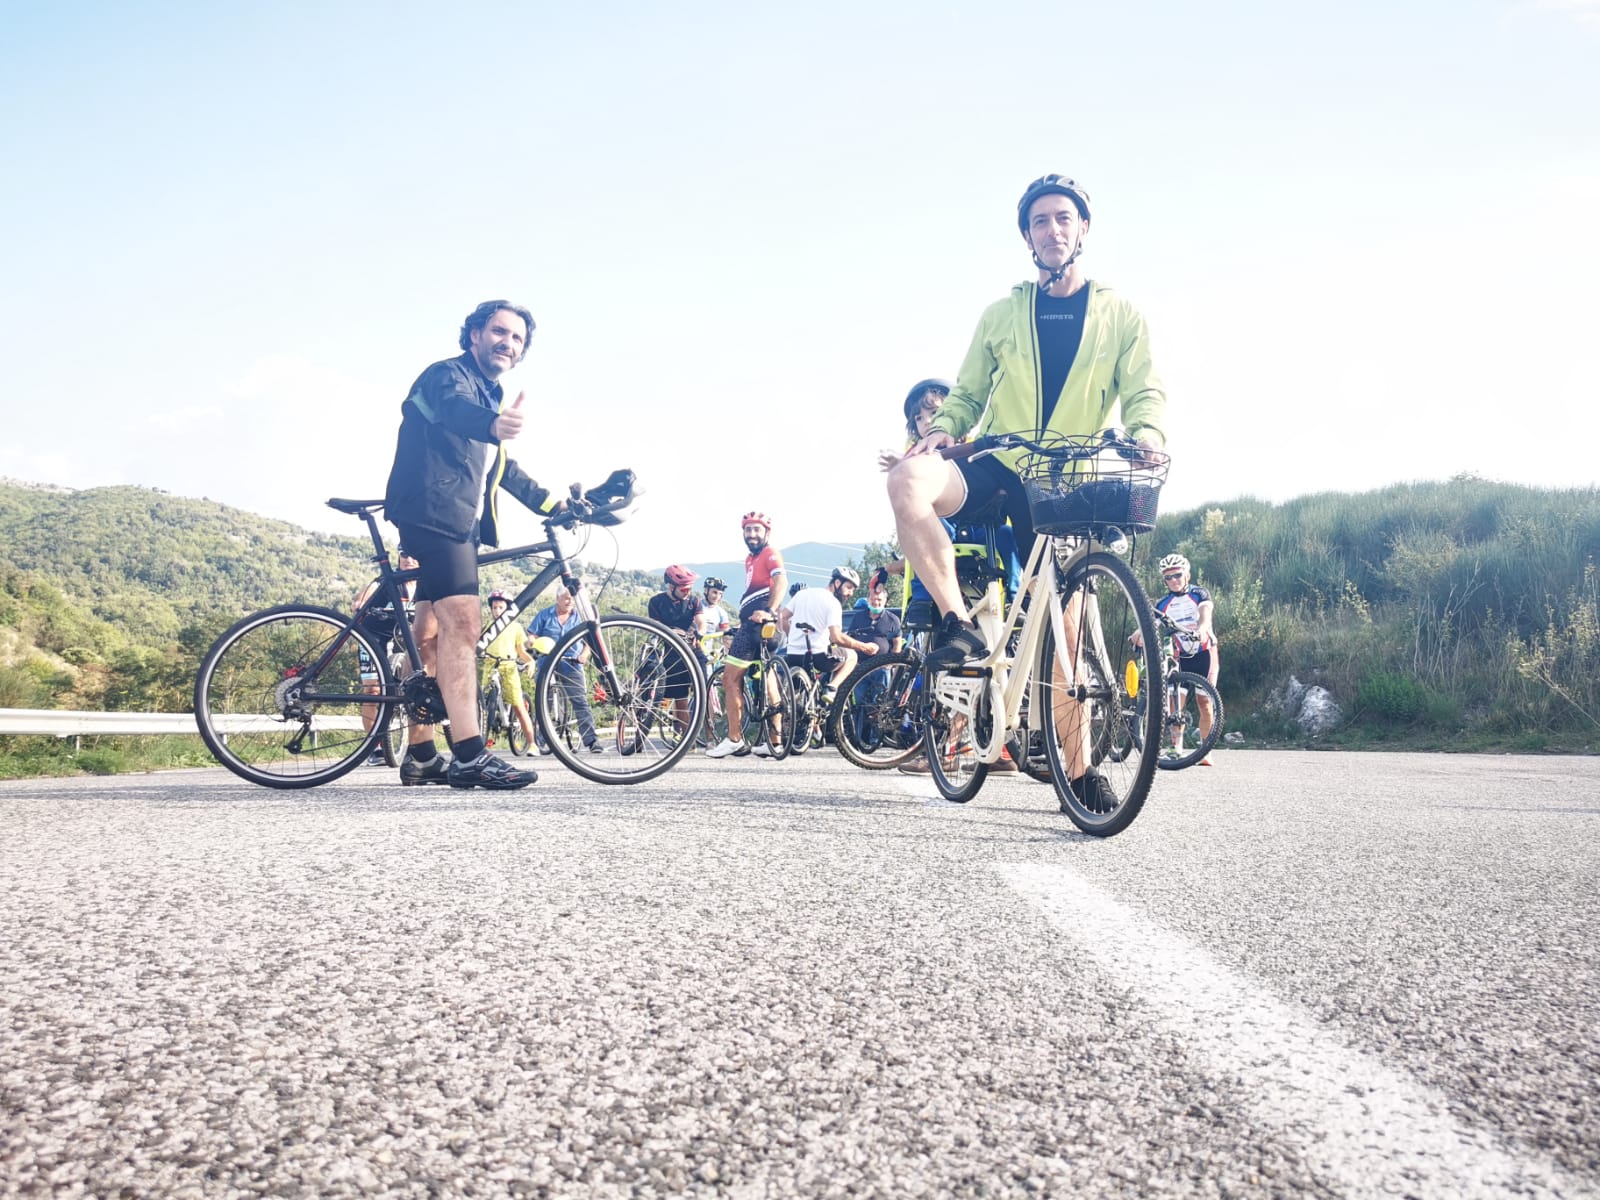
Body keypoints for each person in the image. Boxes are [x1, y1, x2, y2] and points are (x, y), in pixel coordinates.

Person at [886, 177, 1167, 806]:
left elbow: (1144, 388)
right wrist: (946, 431)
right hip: (1003, 460)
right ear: (1027, 237)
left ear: (1083, 229)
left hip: (1067, 476)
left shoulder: (1120, 314)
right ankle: (960, 625)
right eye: (1040, 221)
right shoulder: (1001, 315)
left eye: (1064, 218)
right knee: (906, 480)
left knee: (1067, 627)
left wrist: (1147, 431)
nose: (1052, 229)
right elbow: (965, 395)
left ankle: (1083, 766)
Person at [383, 299, 559, 790]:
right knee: (465, 621)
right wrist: (491, 424)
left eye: (518, 338)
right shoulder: (447, 377)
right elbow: (453, 413)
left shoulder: (488, 394)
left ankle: (421, 752)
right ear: (475, 334)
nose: (509, 343)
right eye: (500, 332)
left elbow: (502, 470)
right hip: (436, 513)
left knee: (432, 634)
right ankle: (469, 754)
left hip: (445, 516)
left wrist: (554, 506)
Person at [707, 512, 787, 760]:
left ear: (766, 533)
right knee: (769, 678)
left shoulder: (769, 553)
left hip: (756, 626)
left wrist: (769, 611)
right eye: (748, 530)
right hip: (759, 626)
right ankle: (776, 742)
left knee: (730, 679)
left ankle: (734, 739)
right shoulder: (750, 559)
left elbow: (781, 580)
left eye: (757, 530)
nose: (752, 534)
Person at [1152, 553, 1219, 765]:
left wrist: (1202, 628)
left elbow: (1205, 616)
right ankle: (1175, 748)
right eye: (1168, 578)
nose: (1173, 581)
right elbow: (1150, 624)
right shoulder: (1163, 603)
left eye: (1177, 575)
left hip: (1204, 653)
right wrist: (1137, 635)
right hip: (1182, 656)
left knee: (1204, 701)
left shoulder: (1199, 593)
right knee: (1175, 703)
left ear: (1187, 574)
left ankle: (1205, 750)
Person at [353, 548, 418, 765]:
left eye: (413, 554)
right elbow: (371, 588)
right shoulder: (390, 580)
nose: (408, 558)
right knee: (372, 691)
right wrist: (361, 599)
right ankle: (375, 747)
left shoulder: (425, 585)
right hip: (375, 638)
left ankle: (417, 745)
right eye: (404, 554)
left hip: (407, 642)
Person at [782, 567, 878, 712]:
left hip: (793, 654)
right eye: (849, 588)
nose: (850, 593)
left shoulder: (801, 595)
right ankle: (832, 687)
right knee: (851, 656)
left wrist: (792, 637)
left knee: (805, 699)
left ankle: (814, 730)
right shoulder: (833, 603)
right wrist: (864, 647)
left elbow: (782, 617)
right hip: (818, 656)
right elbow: (836, 637)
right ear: (837, 582)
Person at [528, 586, 603, 753]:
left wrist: (584, 654)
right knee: (543, 702)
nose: (570, 601)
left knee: (580, 701)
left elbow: (589, 643)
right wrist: (533, 642)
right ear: (557, 599)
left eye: (572, 598)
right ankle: (540, 741)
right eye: (566, 598)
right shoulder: (544, 615)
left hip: (572, 663)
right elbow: (532, 635)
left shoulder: (580, 618)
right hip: (547, 663)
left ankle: (592, 741)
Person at [647, 565, 706, 740]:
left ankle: (710, 738)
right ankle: (688, 738)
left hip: (692, 649)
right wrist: (672, 631)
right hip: (670, 653)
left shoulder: (694, 601)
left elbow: (701, 621)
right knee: (681, 699)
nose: (688, 591)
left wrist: (700, 632)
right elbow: (655, 626)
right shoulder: (656, 602)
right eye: (684, 588)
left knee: (704, 691)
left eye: (690, 588)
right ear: (671, 586)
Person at [482, 590, 538, 750]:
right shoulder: (487, 626)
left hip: (508, 667)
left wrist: (530, 662)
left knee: (518, 705)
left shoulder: (515, 627)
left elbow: (521, 651)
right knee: (480, 702)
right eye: (494, 608)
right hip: (489, 666)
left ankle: (532, 743)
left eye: (501, 607)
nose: (497, 611)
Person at [694, 576, 732, 663]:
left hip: (707, 654)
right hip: (691, 649)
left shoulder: (721, 613)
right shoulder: (696, 606)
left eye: (720, 594)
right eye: (714, 592)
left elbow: (726, 636)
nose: (717, 597)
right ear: (706, 591)